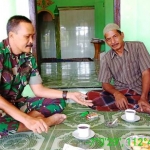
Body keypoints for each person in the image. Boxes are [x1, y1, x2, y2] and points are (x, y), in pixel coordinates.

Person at [0, 15, 93, 138]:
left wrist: (70, 94)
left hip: (16, 103)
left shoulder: (29, 58)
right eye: (27, 36)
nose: (31, 41)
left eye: (33, 36)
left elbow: (38, 89)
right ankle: (45, 122)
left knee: (59, 101)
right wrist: (27, 119)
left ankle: (27, 122)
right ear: (11, 35)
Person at [87, 23, 150, 113]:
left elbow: (146, 73)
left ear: (122, 35)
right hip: (123, 92)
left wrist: (144, 97)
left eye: (115, 36)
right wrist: (117, 94)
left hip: (142, 90)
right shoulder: (106, 58)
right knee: (90, 96)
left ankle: (138, 105)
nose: (113, 42)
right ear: (106, 41)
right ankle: (140, 108)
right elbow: (105, 83)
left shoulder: (138, 47)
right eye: (109, 39)